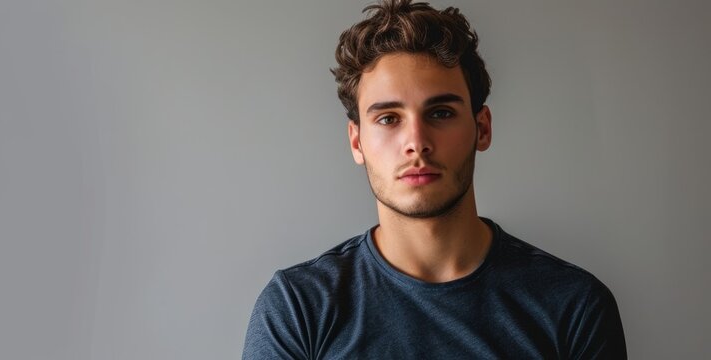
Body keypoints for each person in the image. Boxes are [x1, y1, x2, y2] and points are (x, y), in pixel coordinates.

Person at [242, 0, 627, 358]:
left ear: (482, 128)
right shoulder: (298, 308)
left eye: (440, 113)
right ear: (357, 142)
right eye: (388, 119)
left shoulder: (573, 305)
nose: (417, 142)